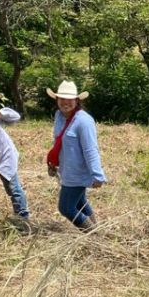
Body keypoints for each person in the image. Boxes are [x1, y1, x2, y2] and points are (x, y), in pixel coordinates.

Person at [46, 80, 106, 231]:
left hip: (77, 173)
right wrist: (53, 163)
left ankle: (92, 234)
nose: (65, 102)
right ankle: (95, 229)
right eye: (62, 98)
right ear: (57, 100)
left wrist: (97, 175)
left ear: (77, 100)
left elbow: (90, 149)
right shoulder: (59, 116)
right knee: (79, 202)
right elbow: (58, 141)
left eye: (70, 99)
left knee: (66, 207)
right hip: (66, 169)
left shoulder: (84, 121)